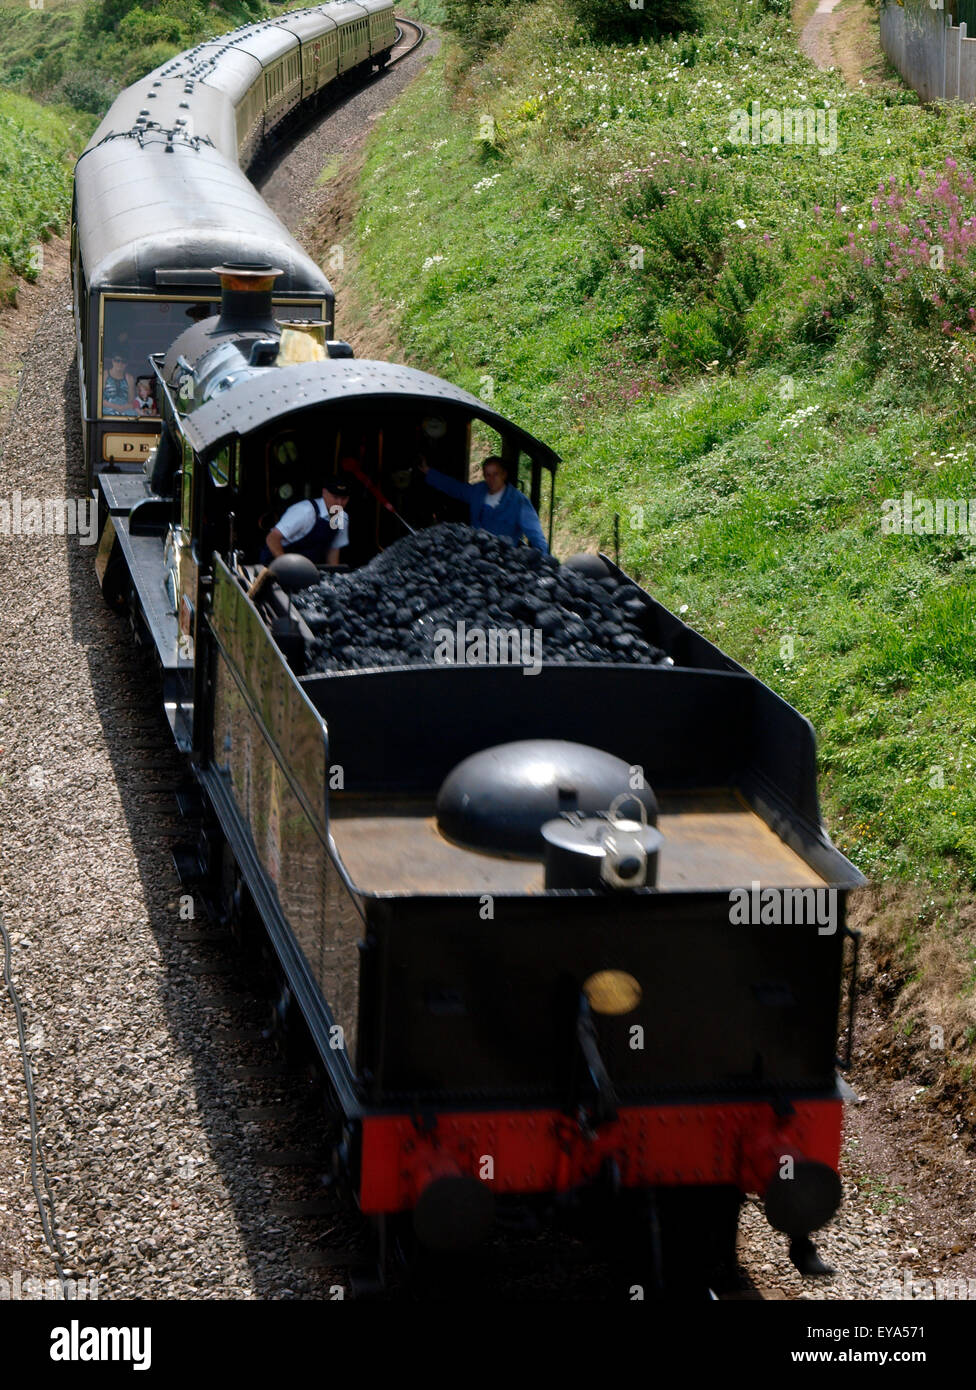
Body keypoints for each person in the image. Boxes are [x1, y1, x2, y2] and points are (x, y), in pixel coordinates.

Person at [419, 455, 549, 553]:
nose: (491, 479)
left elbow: (535, 534)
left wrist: (546, 562)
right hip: (475, 554)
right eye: (487, 475)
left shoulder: (519, 501)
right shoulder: (478, 491)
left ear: (504, 475)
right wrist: (428, 472)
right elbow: (455, 488)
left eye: (495, 474)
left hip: (503, 559)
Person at [261, 477, 350, 566]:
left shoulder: (341, 517)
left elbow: (333, 549)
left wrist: (334, 574)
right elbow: (272, 538)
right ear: (324, 493)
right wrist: (286, 567)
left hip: (308, 567)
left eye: (344, 498)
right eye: (335, 497)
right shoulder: (305, 511)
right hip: (275, 562)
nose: (339, 503)